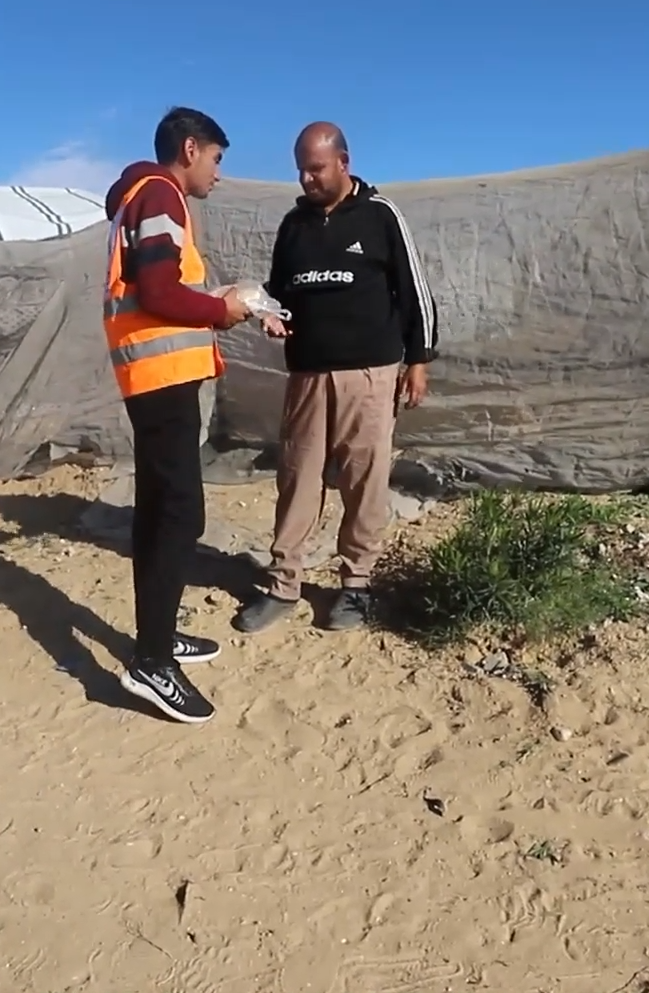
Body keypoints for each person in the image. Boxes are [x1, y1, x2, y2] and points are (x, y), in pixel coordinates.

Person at [233, 122, 439, 635]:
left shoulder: (380, 215)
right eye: (300, 169)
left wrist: (419, 360)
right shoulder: (293, 226)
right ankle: (283, 585)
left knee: (363, 480)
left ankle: (356, 585)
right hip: (307, 372)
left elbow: (416, 292)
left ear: (343, 162)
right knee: (298, 477)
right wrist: (270, 313)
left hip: (368, 373)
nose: (306, 178)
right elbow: (281, 289)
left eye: (316, 168)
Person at [102, 107, 253, 723]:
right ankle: (152, 663)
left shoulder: (140, 196)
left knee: (160, 508)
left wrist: (224, 302)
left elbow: (159, 290)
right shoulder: (160, 193)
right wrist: (223, 311)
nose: (219, 173)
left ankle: (157, 638)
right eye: (217, 158)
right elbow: (160, 293)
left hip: (157, 378)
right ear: (190, 149)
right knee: (179, 512)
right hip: (160, 380)